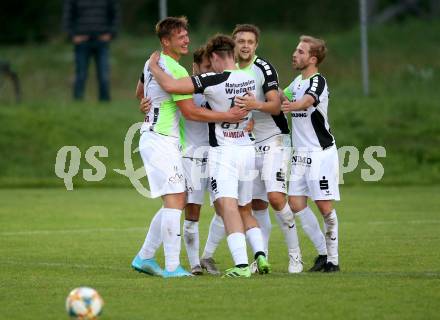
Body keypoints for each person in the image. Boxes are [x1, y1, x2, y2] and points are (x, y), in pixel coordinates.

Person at [131, 17, 247, 278]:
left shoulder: (153, 63)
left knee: (177, 199)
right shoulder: (176, 71)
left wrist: (147, 105)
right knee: (175, 200)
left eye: (186, 35)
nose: (186, 40)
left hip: (160, 137)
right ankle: (172, 267)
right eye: (180, 36)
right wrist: (227, 116)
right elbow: (191, 112)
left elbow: (140, 91)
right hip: (160, 138)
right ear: (165, 41)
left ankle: (145, 257)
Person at [149, 34, 270, 278]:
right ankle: (259, 255)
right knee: (242, 208)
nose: (208, 68)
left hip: (223, 153)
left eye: (209, 63)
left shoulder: (212, 81)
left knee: (227, 207)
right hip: (239, 150)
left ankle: (241, 265)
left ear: (215, 58)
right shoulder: (248, 78)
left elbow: (172, 86)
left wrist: (153, 65)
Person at [201, 24, 304, 274]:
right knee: (254, 205)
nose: (245, 45)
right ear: (233, 45)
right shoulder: (226, 72)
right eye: (240, 41)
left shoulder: (263, 68)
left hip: (271, 139)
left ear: (256, 45)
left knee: (276, 197)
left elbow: (276, 106)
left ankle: (295, 256)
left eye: (250, 41)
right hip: (245, 144)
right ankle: (260, 259)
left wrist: (254, 105)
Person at [281, 35, 340, 272]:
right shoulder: (296, 81)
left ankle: (333, 261)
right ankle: (323, 253)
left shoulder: (318, 81)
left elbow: (307, 101)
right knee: (295, 203)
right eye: (296, 50)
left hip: (320, 154)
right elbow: (281, 97)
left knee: (325, 207)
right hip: (300, 155)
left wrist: (289, 105)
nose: (295, 54)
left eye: (301, 52)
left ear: (313, 58)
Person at [62, 0, 119, 101]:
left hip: (102, 41)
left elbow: (115, 15)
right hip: (81, 42)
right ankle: (78, 102)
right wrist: (72, 36)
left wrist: (111, 34)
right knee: (81, 74)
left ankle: (105, 102)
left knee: (104, 75)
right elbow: (67, 16)